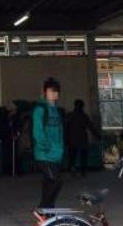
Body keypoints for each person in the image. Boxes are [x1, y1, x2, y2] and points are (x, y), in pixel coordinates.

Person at [33, 77, 65, 210]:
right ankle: (43, 208)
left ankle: (48, 211)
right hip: (45, 154)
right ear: (45, 92)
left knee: (48, 183)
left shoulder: (57, 111)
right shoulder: (40, 110)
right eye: (51, 91)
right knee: (56, 181)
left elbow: (60, 132)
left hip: (56, 154)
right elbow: (38, 131)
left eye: (56, 91)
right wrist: (45, 147)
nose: (54, 94)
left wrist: (61, 148)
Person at [65, 99, 101, 177]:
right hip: (82, 139)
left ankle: (73, 169)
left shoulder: (70, 115)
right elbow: (90, 127)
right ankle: (83, 171)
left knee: (72, 156)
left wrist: (65, 139)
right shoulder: (84, 116)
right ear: (82, 107)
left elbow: (66, 128)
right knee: (83, 156)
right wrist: (97, 135)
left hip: (72, 139)